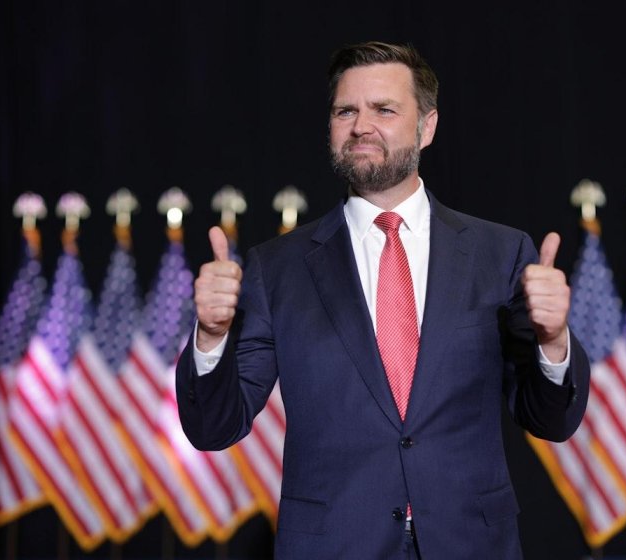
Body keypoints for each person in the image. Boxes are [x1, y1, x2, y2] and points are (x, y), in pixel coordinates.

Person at [176, 41, 590, 559]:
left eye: (384, 110)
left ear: (427, 127)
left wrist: (553, 342)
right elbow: (213, 428)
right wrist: (211, 337)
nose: (361, 126)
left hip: (471, 543)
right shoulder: (276, 268)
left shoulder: (500, 254)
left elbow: (551, 420)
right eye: (345, 111)